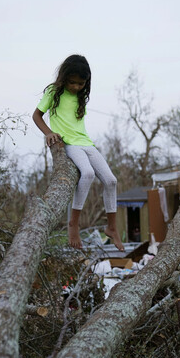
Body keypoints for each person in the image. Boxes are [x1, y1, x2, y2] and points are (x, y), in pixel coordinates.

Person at [32, 54, 124, 251]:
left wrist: (80, 91)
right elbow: (37, 115)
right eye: (72, 82)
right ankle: (73, 223)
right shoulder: (53, 91)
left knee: (111, 180)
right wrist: (49, 133)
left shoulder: (80, 96)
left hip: (86, 143)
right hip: (69, 143)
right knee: (88, 173)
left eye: (80, 84)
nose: (75, 87)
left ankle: (112, 227)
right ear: (64, 77)